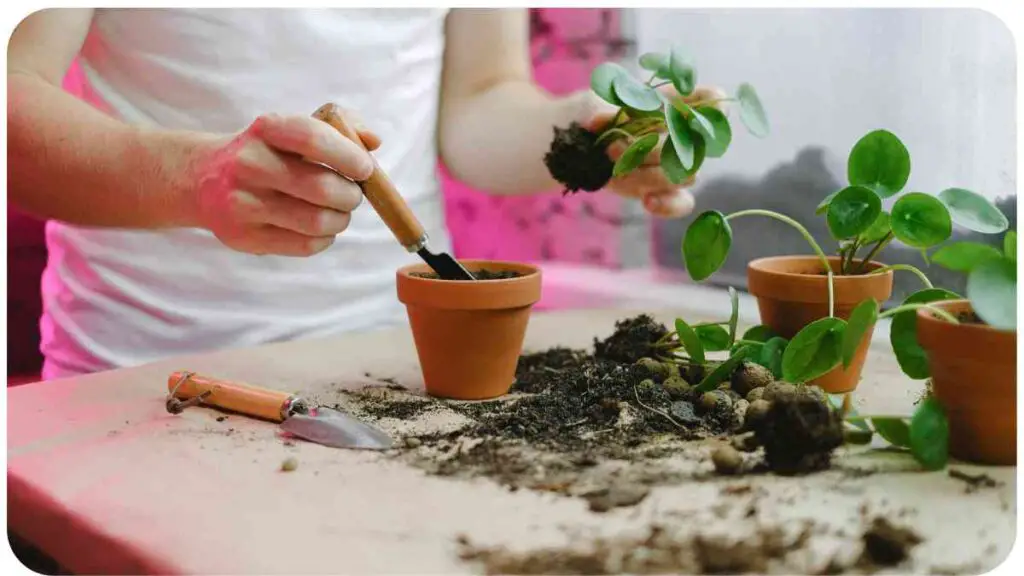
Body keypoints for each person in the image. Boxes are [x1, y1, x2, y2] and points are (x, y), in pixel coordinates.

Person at [8, 8, 706, 379]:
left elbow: (478, 105)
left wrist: (588, 144)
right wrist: (191, 178)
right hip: (143, 375)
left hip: (388, 368)